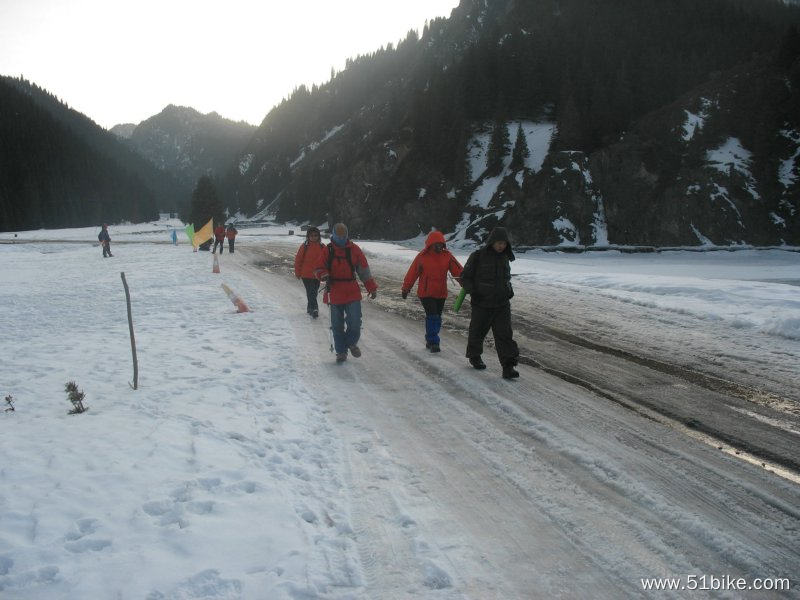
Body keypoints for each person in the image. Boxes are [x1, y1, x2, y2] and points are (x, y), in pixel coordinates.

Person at [460, 227, 520, 379]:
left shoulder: (505, 256)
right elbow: (465, 277)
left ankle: (508, 367)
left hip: (502, 303)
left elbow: (506, 278)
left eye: (504, 244)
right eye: (499, 243)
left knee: (505, 335)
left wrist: (508, 290)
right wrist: (471, 288)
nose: (502, 246)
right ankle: (474, 356)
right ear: (492, 242)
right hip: (482, 302)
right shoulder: (478, 256)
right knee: (477, 331)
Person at [314, 223, 378, 363]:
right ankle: (341, 352)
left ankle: (350, 342)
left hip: (351, 291)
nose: (342, 239)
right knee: (337, 325)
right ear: (334, 235)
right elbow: (318, 268)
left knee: (355, 322)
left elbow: (364, 270)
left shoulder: (354, 250)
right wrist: (323, 274)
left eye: (344, 236)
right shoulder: (327, 250)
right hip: (334, 291)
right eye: (339, 236)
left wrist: (371, 287)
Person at [401, 230, 463, 353]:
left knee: (438, 317)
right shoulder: (422, 257)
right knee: (433, 316)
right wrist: (406, 288)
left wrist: (466, 282)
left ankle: (430, 339)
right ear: (430, 244)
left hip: (441, 293)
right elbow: (412, 273)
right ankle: (433, 341)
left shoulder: (447, 256)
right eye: (436, 244)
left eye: (441, 244)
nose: (439, 247)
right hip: (426, 293)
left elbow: (458, 272)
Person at [294, 227, 325, 318]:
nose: (314, 237)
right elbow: (298, 260)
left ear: (319, 236)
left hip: (318, 275)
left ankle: (309, 308)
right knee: (311, 291)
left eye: (316, 235)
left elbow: (327, 260)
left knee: (313, 292)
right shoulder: (304, 246)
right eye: (311, 235)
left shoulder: (323, 247)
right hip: (306, 275)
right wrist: (297, 272)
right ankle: (315, 308)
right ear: (308, 236)